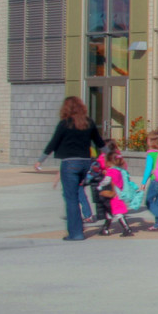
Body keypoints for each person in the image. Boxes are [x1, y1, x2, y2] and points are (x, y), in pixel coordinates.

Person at [35, 96, 103, 241]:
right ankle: (79, 226)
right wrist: (112, 156)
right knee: (78, 193)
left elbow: (53, 143)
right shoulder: (88, 122)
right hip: (86, 163)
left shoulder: (64, 124)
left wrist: (40, 160)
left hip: (70, 163)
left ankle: (76, 233)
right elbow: (99, 142)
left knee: (71, 198)